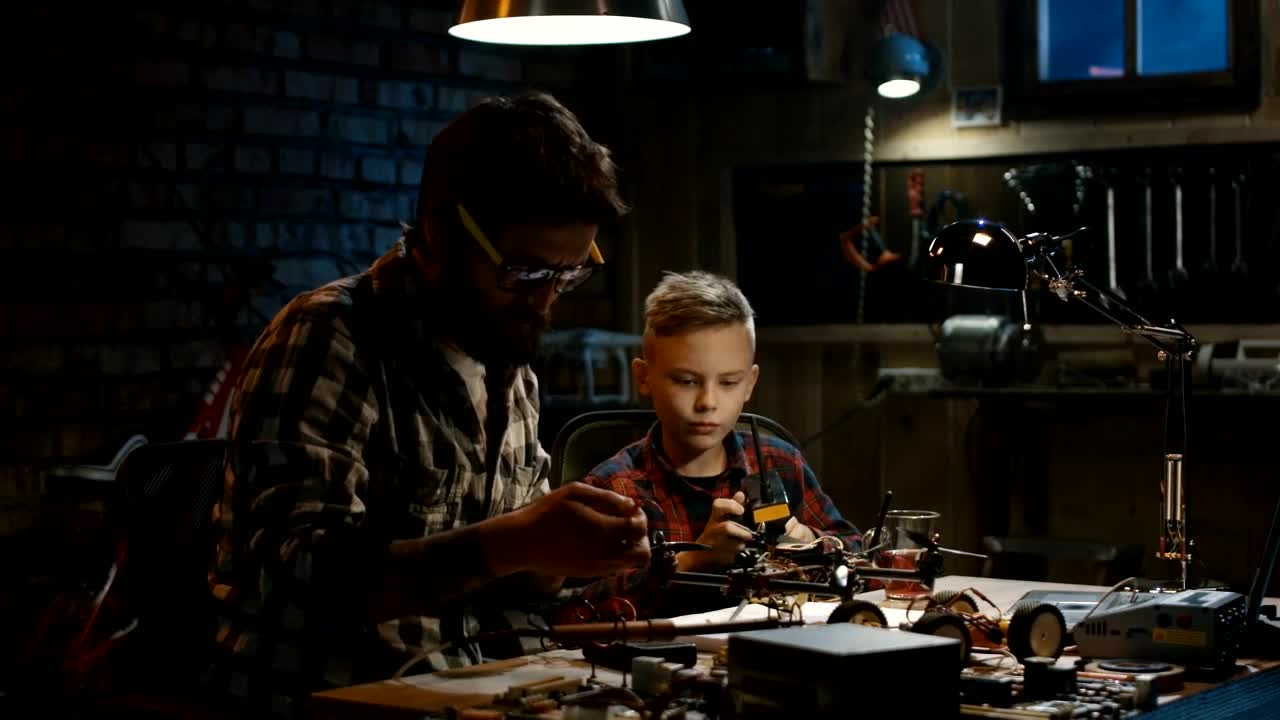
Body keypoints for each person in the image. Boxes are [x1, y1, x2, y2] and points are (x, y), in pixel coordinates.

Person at [205, 91, 650, 717]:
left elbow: (513, 584)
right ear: (441, 233)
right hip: (336, 696)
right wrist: (513, 540)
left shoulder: (505, 353)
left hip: (480, 687)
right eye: (524, 272)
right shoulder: (330, 336)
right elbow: (299, 578)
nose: (545, 300)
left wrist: (564, 555)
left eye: (568, 274)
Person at [577, 271, 862, 617]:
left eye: (728, 382)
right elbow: (575, 610)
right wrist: (692, 561)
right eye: (686, 381)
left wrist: (808, 543)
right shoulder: (614, 490)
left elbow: (858, 557)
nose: (707, 402)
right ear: (643, 377)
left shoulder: (778, 463)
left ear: (749, 384)